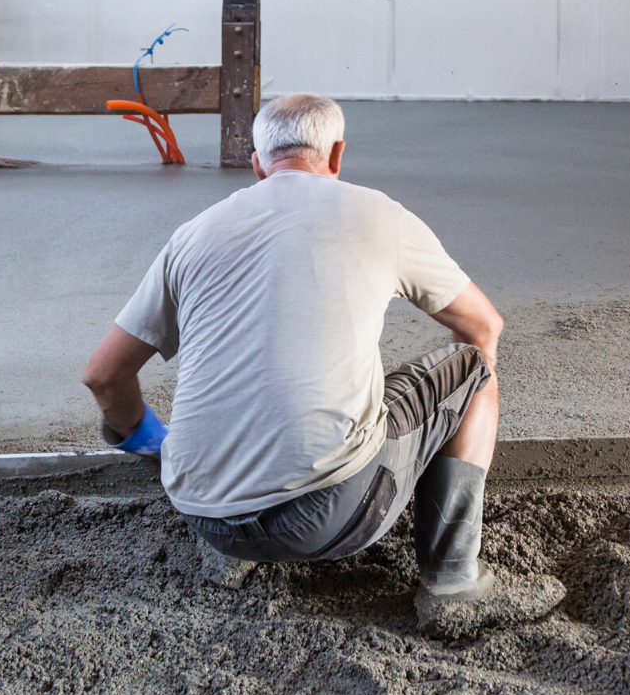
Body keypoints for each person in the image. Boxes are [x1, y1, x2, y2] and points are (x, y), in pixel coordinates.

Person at [81, 93, 565, 636]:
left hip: (204, 516)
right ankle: (454, 582)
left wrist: (142, 435)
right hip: (331, 517)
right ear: (336, 156)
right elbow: (483, 327)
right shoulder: (379, 214)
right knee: (473, 368)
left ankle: (236, 551)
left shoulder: (192, 235)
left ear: (257, 163)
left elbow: (103, 376)